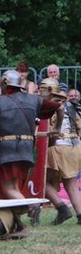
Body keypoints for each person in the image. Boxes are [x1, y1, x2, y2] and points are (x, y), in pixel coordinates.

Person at [0, 70, 61, 200]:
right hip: (27, 147)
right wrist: (57, 128)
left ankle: (31, 206)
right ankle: (17, 219)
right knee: (16, 186)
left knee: (7, 188)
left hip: (7, 148)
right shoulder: (34, 99)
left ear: (5, 83)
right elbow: (59, 107)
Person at [42, 82, 81, 225]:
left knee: (42, 182)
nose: (40, 91)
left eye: (42, 88)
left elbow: (48, 129)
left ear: (50, 90)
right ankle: (80, 214)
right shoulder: (71, 105)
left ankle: (61, 207)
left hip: (57, 147)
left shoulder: (47, 107)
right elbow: (79, 127)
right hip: (74, 147)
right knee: (71, 183)